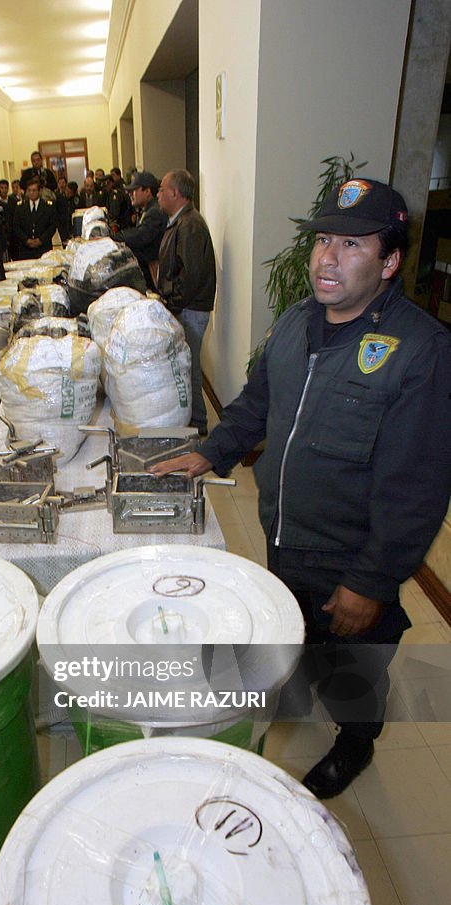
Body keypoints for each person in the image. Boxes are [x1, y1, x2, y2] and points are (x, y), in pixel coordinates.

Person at [152, 178, 451, 799]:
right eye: (322, 241)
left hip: (350, 556)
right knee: (301, 636)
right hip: (286, 537)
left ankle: (355, 741)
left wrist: (369, 582)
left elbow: (418, 488)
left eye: (351, 244)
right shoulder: (296, 322)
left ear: (390, 260)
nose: (325, 258)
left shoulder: (420, 350)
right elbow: (256, 404)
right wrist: (211, 451)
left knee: (353, 669)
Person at [157, 168, 216, 437]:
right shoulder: (181, 221)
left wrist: (173, 303)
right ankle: (196, 420)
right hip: (185, 306)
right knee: (187, 364)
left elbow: (190, 274)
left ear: (175, 193)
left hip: (190, 308)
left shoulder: (190, 225)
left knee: (188, 366)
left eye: (161, 189)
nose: (159, 194)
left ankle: (198, 424)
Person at [115, 171, 167, 289]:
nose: (130, 194)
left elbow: (139, 236)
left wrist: (113, 238)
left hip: (154, 275)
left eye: (134, 190)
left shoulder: (154, 212)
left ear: (147, 191)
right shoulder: (146, 210)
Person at [12, 178, 57, 260]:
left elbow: (52, 226)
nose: (31, 193)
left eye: (34, 190)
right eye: (29, 190)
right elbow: (16, 226)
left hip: (43, 248)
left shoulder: (48, 207)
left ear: (39, 191)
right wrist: (26, 240)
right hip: (25, 250)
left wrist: (40, 240)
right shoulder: (20, 207)